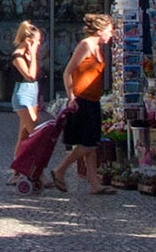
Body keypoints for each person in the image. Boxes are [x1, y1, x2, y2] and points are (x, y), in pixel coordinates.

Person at [52, 13, 116, 195]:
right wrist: (71, 96)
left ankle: (94, 183)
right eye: (109, 31)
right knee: (88, 143)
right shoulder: (85, 45)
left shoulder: (97, 47)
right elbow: (68, 72)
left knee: (92, 143)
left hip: (93, 99)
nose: (111, 35)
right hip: (82, 100)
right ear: (100, 30)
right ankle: (60, 170)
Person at [8, 21, 42, 145]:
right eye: (37, 41)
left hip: (33, 93)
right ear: (28, 40)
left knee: (24, 135)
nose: (39, 44)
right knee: (35, 131)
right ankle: (33, 162)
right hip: (22, 95)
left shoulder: (29, 55)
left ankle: (17, 163)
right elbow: (30, 76)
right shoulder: (18, 56)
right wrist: (33, 54)